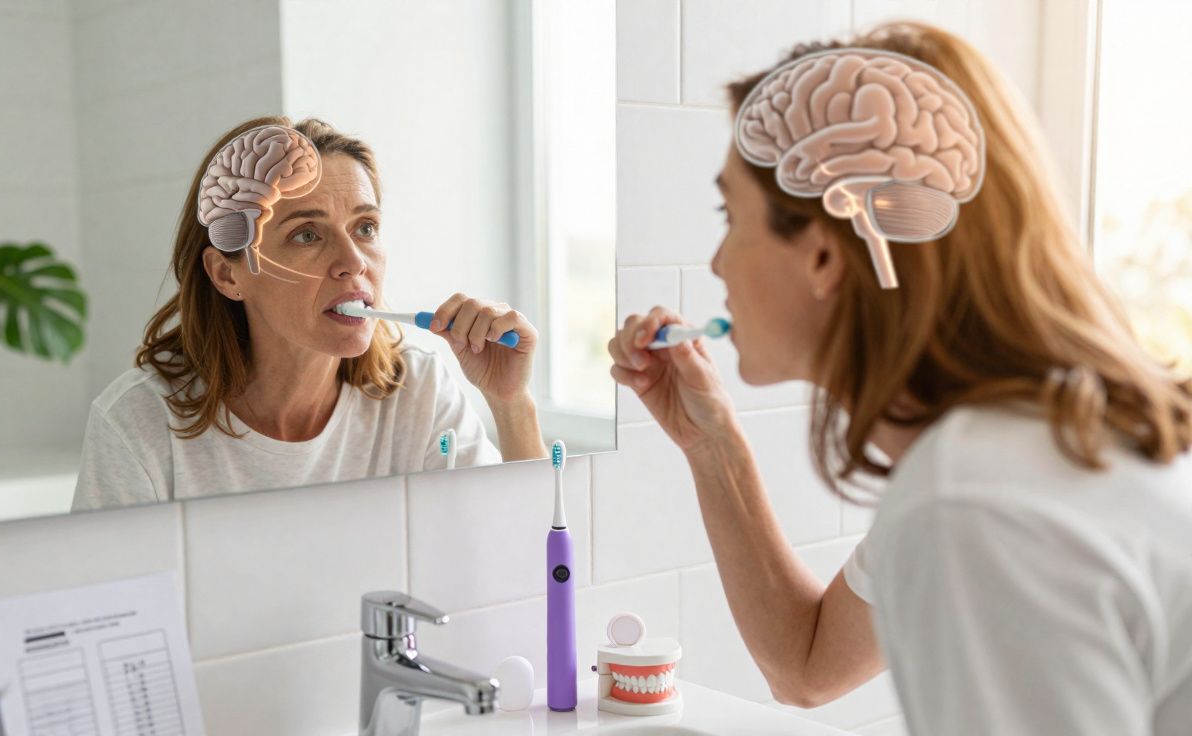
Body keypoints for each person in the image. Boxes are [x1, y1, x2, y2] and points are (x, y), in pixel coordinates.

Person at [608, 22, 1192, 734]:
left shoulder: (974, 506)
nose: (716, 263)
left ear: (824, 254)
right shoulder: (1035, 447)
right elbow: (806, 667)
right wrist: (713, 444)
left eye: (731, 215)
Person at [74, 117, 543, 509]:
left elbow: (522, 558)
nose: (354, 262)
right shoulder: (137, 423)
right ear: (227, 275)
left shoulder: (418, 394)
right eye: (307, 235)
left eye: (365, 227)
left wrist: (510, 401)